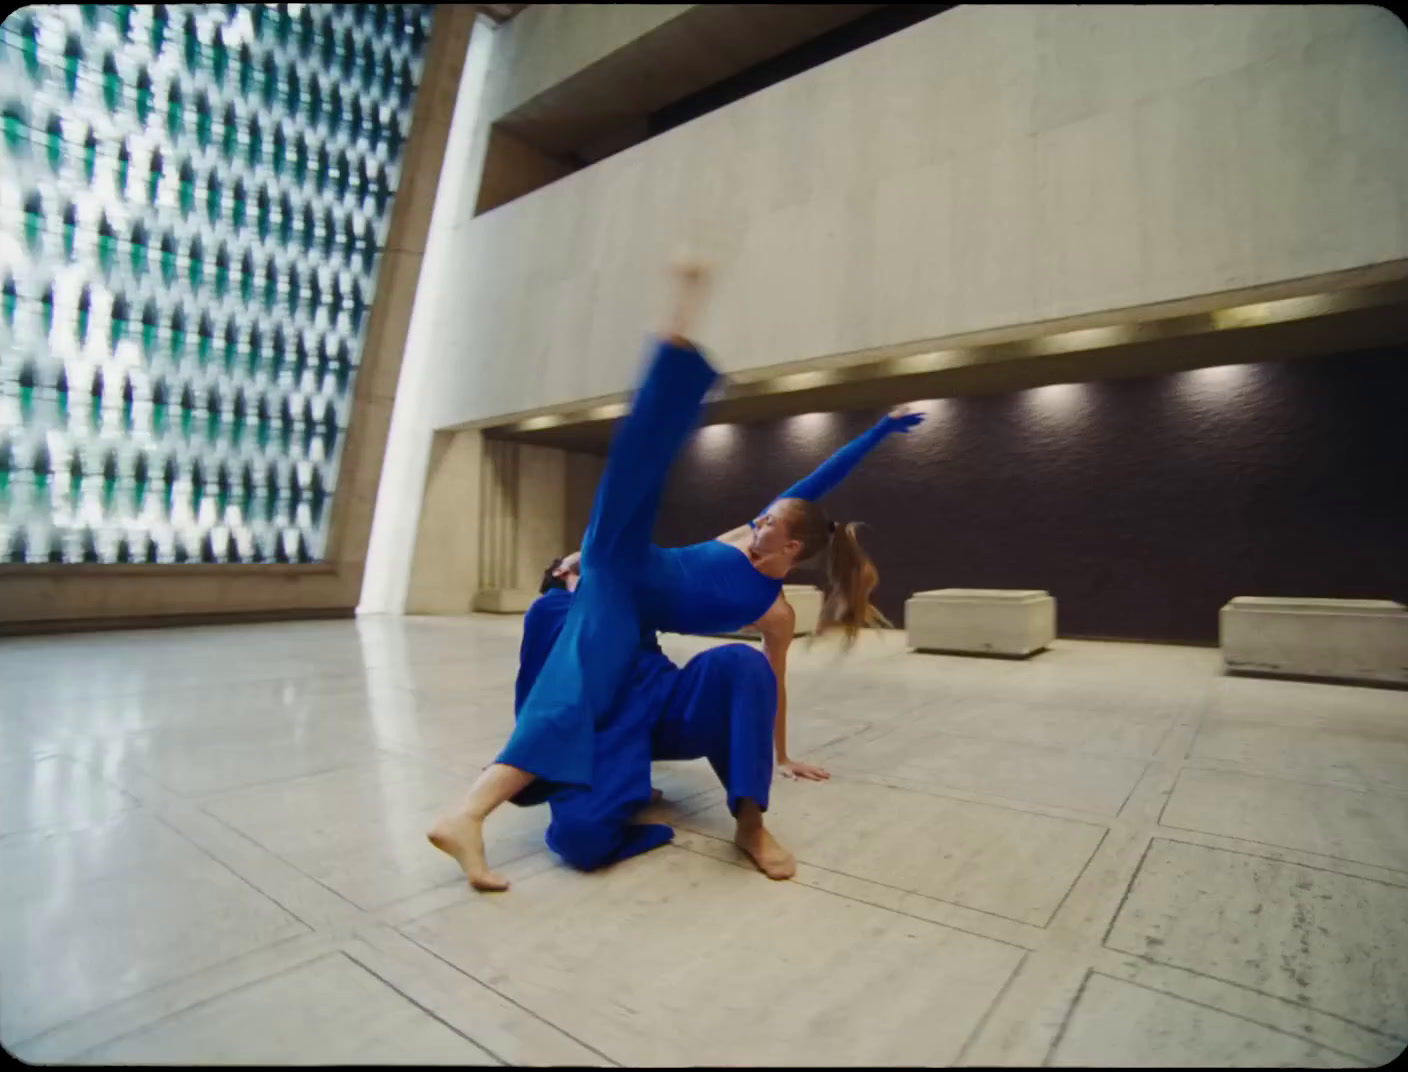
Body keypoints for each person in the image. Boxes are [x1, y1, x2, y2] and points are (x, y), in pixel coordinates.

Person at [428, 258, 922, 891]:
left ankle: (746, 822)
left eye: (771, 519)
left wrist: (782, 755)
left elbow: (769, 687)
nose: (757, 518)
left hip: (619, 604)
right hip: (624, 560)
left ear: (792, 543)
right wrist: (875, 433)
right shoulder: (740, 537)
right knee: (636, 467)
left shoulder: (775, 610)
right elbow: (816, 481)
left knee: (599, 681)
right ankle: (677, 336)